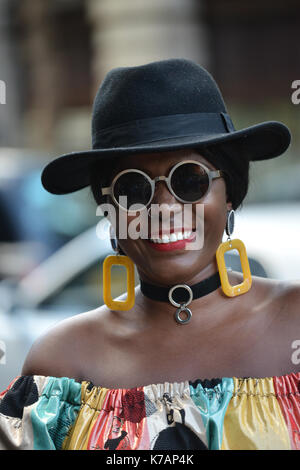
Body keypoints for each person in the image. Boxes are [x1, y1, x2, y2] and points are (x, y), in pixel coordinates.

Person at [0, 59, 299, 450]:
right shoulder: (60, 368)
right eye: (133, 189)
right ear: (110, 212)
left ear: (230, 195)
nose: (164, 207)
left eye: (189, 180)